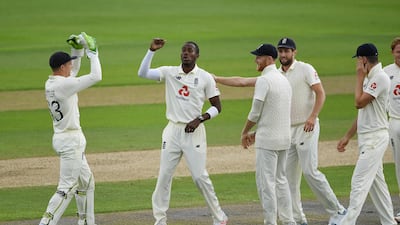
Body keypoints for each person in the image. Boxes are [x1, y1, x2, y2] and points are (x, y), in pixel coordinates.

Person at [214, 37, 346, 225]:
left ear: (294, 52)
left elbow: (320, 93)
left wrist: (312, 117)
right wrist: (217, 78)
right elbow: (242, 82)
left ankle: (338, 211)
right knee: (287, 180)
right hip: (285, 131)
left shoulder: (304, 69)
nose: (284, 54)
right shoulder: (276, 75)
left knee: (308, 172)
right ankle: (297, 219)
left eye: (287, 51)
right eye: (281, 50)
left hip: (306, 127)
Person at [137, 38, 228, 225]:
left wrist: (199, 119)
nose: (186, 53)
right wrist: (151, 51)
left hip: (194, 132)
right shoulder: (170, 72)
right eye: (183, 51)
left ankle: (219, 217)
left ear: (197, 55)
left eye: (190, 51)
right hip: (172, 130)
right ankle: (160, 220)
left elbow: (217, 107)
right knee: (164, 176)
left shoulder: (205, 77)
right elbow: (143, 73)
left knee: (199, 177)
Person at [39, 32, 101, 225]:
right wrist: (93, 52)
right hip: (70, 141)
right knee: (66, 187)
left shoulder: (52, 83)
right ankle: (46, 222)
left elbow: (73, 75)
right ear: (63, 67)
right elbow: (96, 76)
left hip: (63, 138)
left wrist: (76, 49)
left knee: (86, 182)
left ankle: (86, 222)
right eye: (70, 63)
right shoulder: (63, 86)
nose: (72, 65)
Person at [337, 43, 396, 225]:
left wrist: (359, 76)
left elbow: (359, 103)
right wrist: (348, 136)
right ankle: (389, 222)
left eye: (358, 60)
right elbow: (363, 112)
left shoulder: (379, 78)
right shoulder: (371, 77)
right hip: (368, 137)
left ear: (363, 60)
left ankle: (348, 222)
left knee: (359, 182)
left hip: (375, 138)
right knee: (377, 186)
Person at [240, 43, 295, 225]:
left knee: (266, 184)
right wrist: (256, 132)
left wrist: (245, 131)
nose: (256, 59)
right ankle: (288, 221)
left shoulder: (264, 80)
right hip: (284, 138)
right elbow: (276, 112)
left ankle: (270, 222)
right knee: (281, 180)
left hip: (268, 142)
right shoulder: (283, 79)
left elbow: (255, 112)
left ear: (269, 59)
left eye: (259, 56)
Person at [383, 37, 400, 223]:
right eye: (398, 51)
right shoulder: (386, 72)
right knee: (399, 166)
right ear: (393, 52)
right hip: (395, 122)